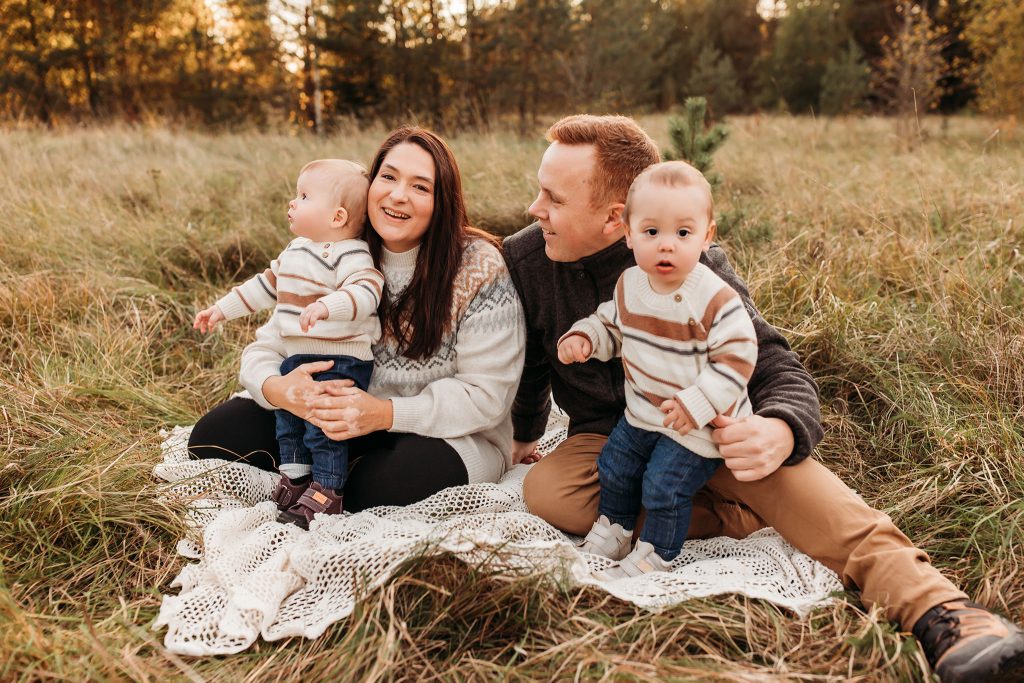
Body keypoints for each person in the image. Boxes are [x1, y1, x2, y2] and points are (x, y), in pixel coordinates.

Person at [502, 114, 1024, 682]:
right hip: (618, 432)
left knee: (805, 493)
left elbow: (774, 362)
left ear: (614, 220)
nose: (535, 209)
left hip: (710, 431)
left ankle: (943, 612)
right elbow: (532, 358)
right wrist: (527, 432)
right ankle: (731, 514)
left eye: (551, 197)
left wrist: (779, 429)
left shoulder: (695, 266)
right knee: (549, 492)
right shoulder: (528, 259)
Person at [188, 126, 525, 516]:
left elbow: (487, 396)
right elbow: (268, 345)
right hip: (332, 417)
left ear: (442, 201)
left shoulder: (477, 265)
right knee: (214, 437)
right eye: (388, 177)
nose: (398, 195)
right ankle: (321, 472)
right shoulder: (333, 247)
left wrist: (382, 414)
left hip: (436, 432)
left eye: (420, 187)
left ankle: (329, 478)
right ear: (370, 183)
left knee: (380, 487)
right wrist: (279, 389)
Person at [557, 160, 757, 577]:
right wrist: (586, 339)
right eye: (652, 232)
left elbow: (737, 356)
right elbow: (613, 324)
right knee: (614, 465)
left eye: (683, 233)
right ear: (629, 234)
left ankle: (656, 555)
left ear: (707, 236)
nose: (667, 245)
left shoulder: (712, 297)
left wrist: (697, 404)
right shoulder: (630, 285)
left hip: (696, 426)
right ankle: (615, 529)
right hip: (644, 412)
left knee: (663, 485)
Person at [192, 159, 383, 528]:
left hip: (339, 360)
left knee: (323, 426)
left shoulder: (351, 253)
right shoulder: (295, 250)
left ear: (338, 216)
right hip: (297, 358)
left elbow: (366, 290)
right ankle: (296, 481)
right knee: (289, 422)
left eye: (304, 196)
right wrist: (221, 309)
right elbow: (263, 286)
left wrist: (329, 305)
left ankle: (328, 490)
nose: (292, 203)